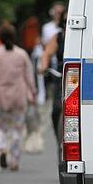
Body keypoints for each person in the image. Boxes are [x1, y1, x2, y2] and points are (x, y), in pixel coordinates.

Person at [0, 22, 36, 171]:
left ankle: (1, 148)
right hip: (18, 96)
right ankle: (14, 160)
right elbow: (29, 76)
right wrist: (32, 91)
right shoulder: (21, 54)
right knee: (17, 128)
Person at [38, 10, 66, 139]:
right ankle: (59, 140)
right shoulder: (58, 36)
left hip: (80, 77)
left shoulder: (83, 35)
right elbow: (47, 53)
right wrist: (43, 65)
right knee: (56, 109)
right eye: (65, 22)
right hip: (61, 76)